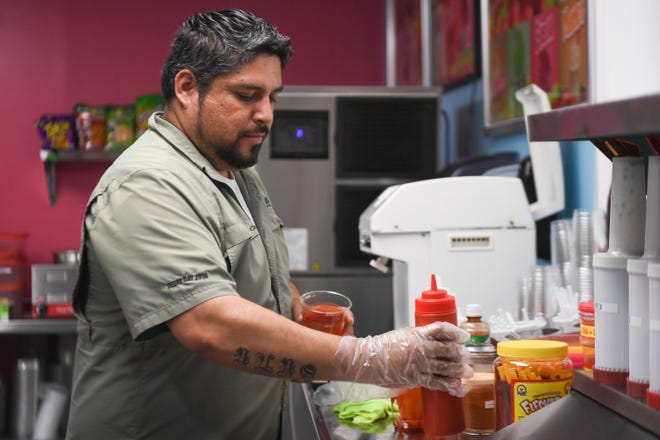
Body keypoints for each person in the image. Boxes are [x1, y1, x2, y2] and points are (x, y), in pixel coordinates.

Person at [66, 8, 471, 440]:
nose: (266, 115)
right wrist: (364, 357)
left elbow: (250, 268)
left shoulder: (233, 169)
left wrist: (298, 311)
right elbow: (207, 322)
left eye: (272, 97)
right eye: (247, 95)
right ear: (186, 88)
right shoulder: (146, 186)